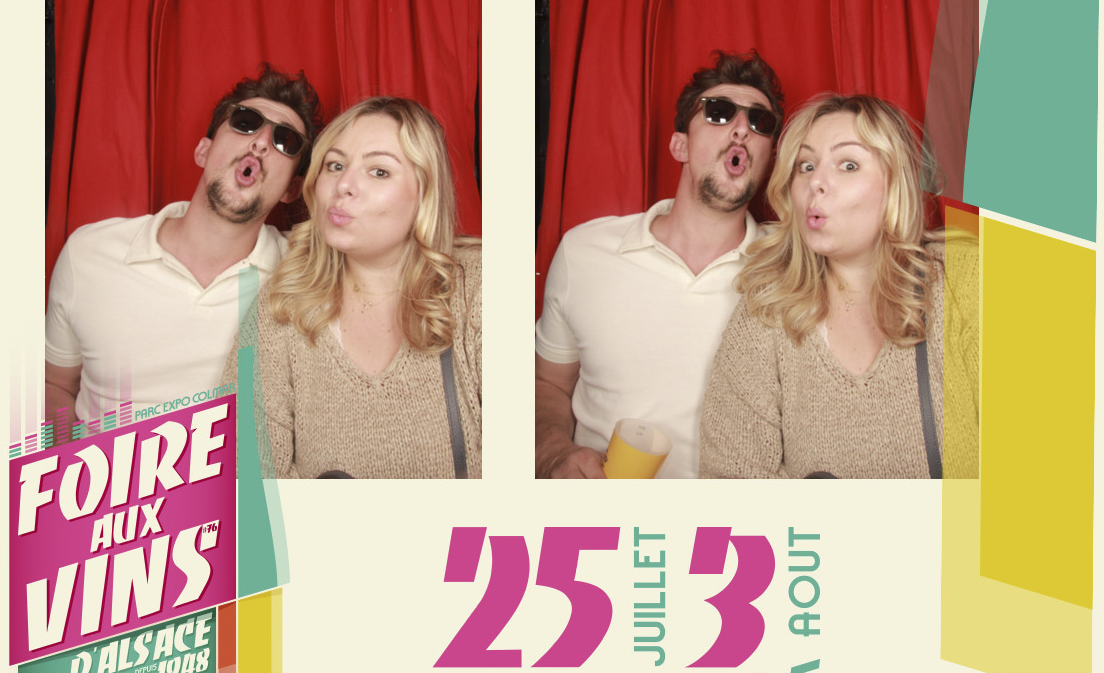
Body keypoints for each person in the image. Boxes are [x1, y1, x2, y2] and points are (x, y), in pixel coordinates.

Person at [699, 95, 979, 480]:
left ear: (895, 185)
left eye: (849, 165)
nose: (815, 182)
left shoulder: (964, 280)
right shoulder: (765, 311)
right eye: (806, 166)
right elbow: (730, 483)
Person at [535, 50, 783, 479]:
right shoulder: (584, 251)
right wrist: (552, 452)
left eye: (760, 122)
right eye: (720, 112)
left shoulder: (794, 269)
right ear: (679, 145)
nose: (743, 128)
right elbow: (549, 383)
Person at [44, 65, 320, 435]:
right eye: (245, 122)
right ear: (204, 151)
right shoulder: (89, 253)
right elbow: (56, 385)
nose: (260, 142)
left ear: (292, 189)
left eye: (285, 141)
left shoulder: (308, 275)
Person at [225, 97, 482, 478]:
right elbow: (245, 484)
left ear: (425, 194)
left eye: (379, 171)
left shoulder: (477, 289)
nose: (343, 185)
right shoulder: (279, 308)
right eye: (335, 165)